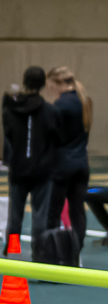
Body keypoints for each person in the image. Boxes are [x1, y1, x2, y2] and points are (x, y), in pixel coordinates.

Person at [2, 66, 60, 259]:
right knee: (40, 216)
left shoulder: (10, 109)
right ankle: (39, 254)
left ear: (24, 82)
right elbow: (57, 138)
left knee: (15, 215)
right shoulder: (50, 111)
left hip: (18, 169)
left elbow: (9, 136)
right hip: (42, 170)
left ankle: (12, 252)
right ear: (43, 84)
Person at [46, 66, 93, 254]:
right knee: (77, 211)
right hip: (81, 163)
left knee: (53, 213)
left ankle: (51, 254)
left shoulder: (59, 106)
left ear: (54, 83)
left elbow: (51, 137)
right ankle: (75, 252)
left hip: (61, 166)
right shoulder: (84, 101)